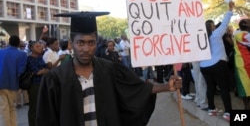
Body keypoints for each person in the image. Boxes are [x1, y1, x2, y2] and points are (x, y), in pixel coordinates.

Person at [36, 11, 182, 126]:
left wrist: (166, 86)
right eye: (80, 43)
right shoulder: (55, 79)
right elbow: (46, 120)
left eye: (91, 42)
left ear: (96, 43)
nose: (86, 48)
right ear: (71, 44)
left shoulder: (110, 70)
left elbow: (136, 89)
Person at [199, 1, 234, 121]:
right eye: (213, 25)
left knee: (210, 88)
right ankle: (228, 113)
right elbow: (225, 23)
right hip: (218, 64)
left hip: (204, 67)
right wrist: (230, 9)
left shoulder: (202, 39)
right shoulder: (215, 34)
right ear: (211, 27)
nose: (215, 26)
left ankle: (211, 109)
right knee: (224, 88)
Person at [0, 35, 28, 126]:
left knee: (3, 108)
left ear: (9, 41)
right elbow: (21, 71)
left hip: (1, 83)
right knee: (12, 107)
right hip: (13, 83)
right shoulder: (22, 54)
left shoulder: (1, 52)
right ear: (19, 43)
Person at [26, 41, 49, 126]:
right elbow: (37, 72)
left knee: (42, 105)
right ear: (31, 48)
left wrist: (43, 70)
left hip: (43, 83)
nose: (40, 48)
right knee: (34, 107)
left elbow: (46, 69)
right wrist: (43, 70)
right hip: (34, 85)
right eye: (37, 46)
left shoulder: (40, 57)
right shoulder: (29, 58)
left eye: (40, 46)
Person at [233, 19, 250, 110]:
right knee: (245, 86)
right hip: (245, 64)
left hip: (242, 63)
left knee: (245, 87)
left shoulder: (238, 34)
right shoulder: (244, 35)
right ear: (245, 25)